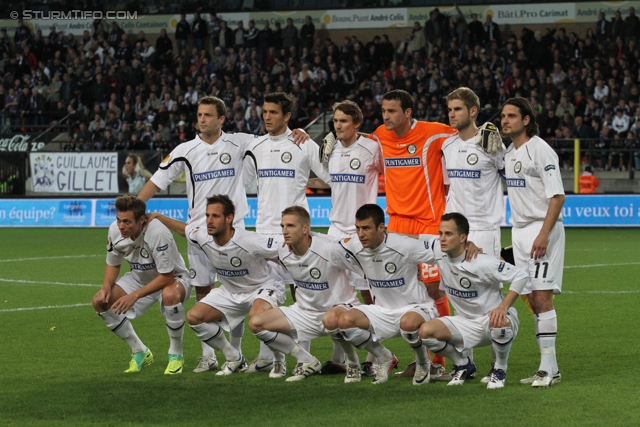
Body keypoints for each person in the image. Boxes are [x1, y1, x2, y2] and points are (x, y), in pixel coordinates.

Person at [137, 96, 256, 373]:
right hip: (199, 233)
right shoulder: (185, 149)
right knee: (203, 293)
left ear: (221, 119)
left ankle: (236, 352)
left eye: (207, 115)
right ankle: (210, 354)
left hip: (235, 233)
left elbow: (273, 139)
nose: (201, 120)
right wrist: (134, 209)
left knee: (238, 292)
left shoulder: (241, 142)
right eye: (199, 115)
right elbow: (157, 181)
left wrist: (296, 133)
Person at [324, 204, 479, 385]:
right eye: (358, 228)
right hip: (382, 311)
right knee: (345, 322)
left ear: (381, 227)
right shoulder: (354, 246)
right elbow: (325, 246)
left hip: (416, 308)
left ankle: (423, 362)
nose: (360, 234)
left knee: (408, 322)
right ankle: (384, 357)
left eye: (366, 228)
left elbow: (437, 245)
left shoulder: (403, 245)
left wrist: (466, 244)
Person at [148, 195, 286, 377]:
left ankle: (279, 361)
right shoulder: (203, 237)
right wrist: (158, 216)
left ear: (229, 219)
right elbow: (184, 230)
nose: (209, 221)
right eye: (207, 216)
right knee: (195, 317)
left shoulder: (250, 240)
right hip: (230, 291)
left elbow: (284, 249)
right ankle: (234, 356)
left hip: (261, 287)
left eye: (215, 216)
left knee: (257, 318)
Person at [369, 89, 457, 377]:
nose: (386, 116)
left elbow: (463, 132)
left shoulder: (432, 133)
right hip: (397, 225)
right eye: (384, 111)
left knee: (433, 289)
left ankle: (441, 361)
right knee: (403, 292)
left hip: (429, 225)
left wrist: (486, 129)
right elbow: (356, 145)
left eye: (392, 111)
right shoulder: (380, 135)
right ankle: (420, 360)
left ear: (407, 112)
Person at [242, 92, 331, 375]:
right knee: (264, 294)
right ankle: (270, 357)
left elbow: (330, 177)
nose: (267, 117)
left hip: (295, 232)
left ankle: (304, 359)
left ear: (287, 116)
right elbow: (242, 182)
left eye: (273, 112)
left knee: (301, 293)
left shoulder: (303, 144)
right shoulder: (255, 146)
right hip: (264, 231)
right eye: (264, 112)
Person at [311, 100, 384, 375]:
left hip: (361, 232)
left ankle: (379, 354)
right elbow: (329, 182)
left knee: (369, 294)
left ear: (356, 123)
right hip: (334, 231)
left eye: (343, 121)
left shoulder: (371, 148)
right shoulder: (330, 151)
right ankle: (340, 358)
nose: (338, 126)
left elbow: (391, 172)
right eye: (335, 121)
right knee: (336, 293)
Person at [248, 206, 361, 382]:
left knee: (331, 319)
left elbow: (363, 263)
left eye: (290, 226)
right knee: (256, 323)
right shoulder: (282, 250)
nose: (285, 231)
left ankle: (353, 364)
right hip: (305, 313)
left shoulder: (330, 248)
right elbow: (253, 249)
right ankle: (306, 359)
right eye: (283, 226)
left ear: (305, 228)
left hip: (339, 311)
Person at [418, 213, 529, 389]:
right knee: (425, 332)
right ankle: (463, 364)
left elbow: (521, 275)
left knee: (500, 323)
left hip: (490, 321)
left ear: (463, 238)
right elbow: (411, 239)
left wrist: (503, 307)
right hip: (463, 323)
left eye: (448, 234)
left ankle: (499, 369)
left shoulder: (481, 261)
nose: (442, 239)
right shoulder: (437, 249)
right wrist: (387, 235)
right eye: (440, 233)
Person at [442, 87, 507, 382]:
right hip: (457, 231)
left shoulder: (490, 142)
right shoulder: (447, 146)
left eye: (457, 109)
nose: (451, 114)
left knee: (490, 296)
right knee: (459, 294)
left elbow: (509, 175)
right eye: (449, 109)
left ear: (472, 111)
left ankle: (498, 366)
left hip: (484, 229)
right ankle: (466, 362)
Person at [501, 97, 566, 387]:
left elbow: (557, 195)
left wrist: (543, 234)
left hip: (542, 230)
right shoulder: (508, 154)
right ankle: (549, 369)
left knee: (542, 298)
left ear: (527, 120)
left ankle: (548, 369)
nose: (505, 120)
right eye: (503, 116)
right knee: (533, 301)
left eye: (512, 116)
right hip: (519, 231)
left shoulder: (540, 150)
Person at [92, 196, 192, 375]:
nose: (121, 226)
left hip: (172, 278)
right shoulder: (115, 231)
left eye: (127, 222)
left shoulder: (157, 232)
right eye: (119, 220)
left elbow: (167, 276)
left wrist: (135, 295)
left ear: (141, 220)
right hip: (139, 278)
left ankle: (176, 354)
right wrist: (106, 287)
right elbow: (113, 263)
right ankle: (140, 351)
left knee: (170, 295)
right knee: (100, 302)